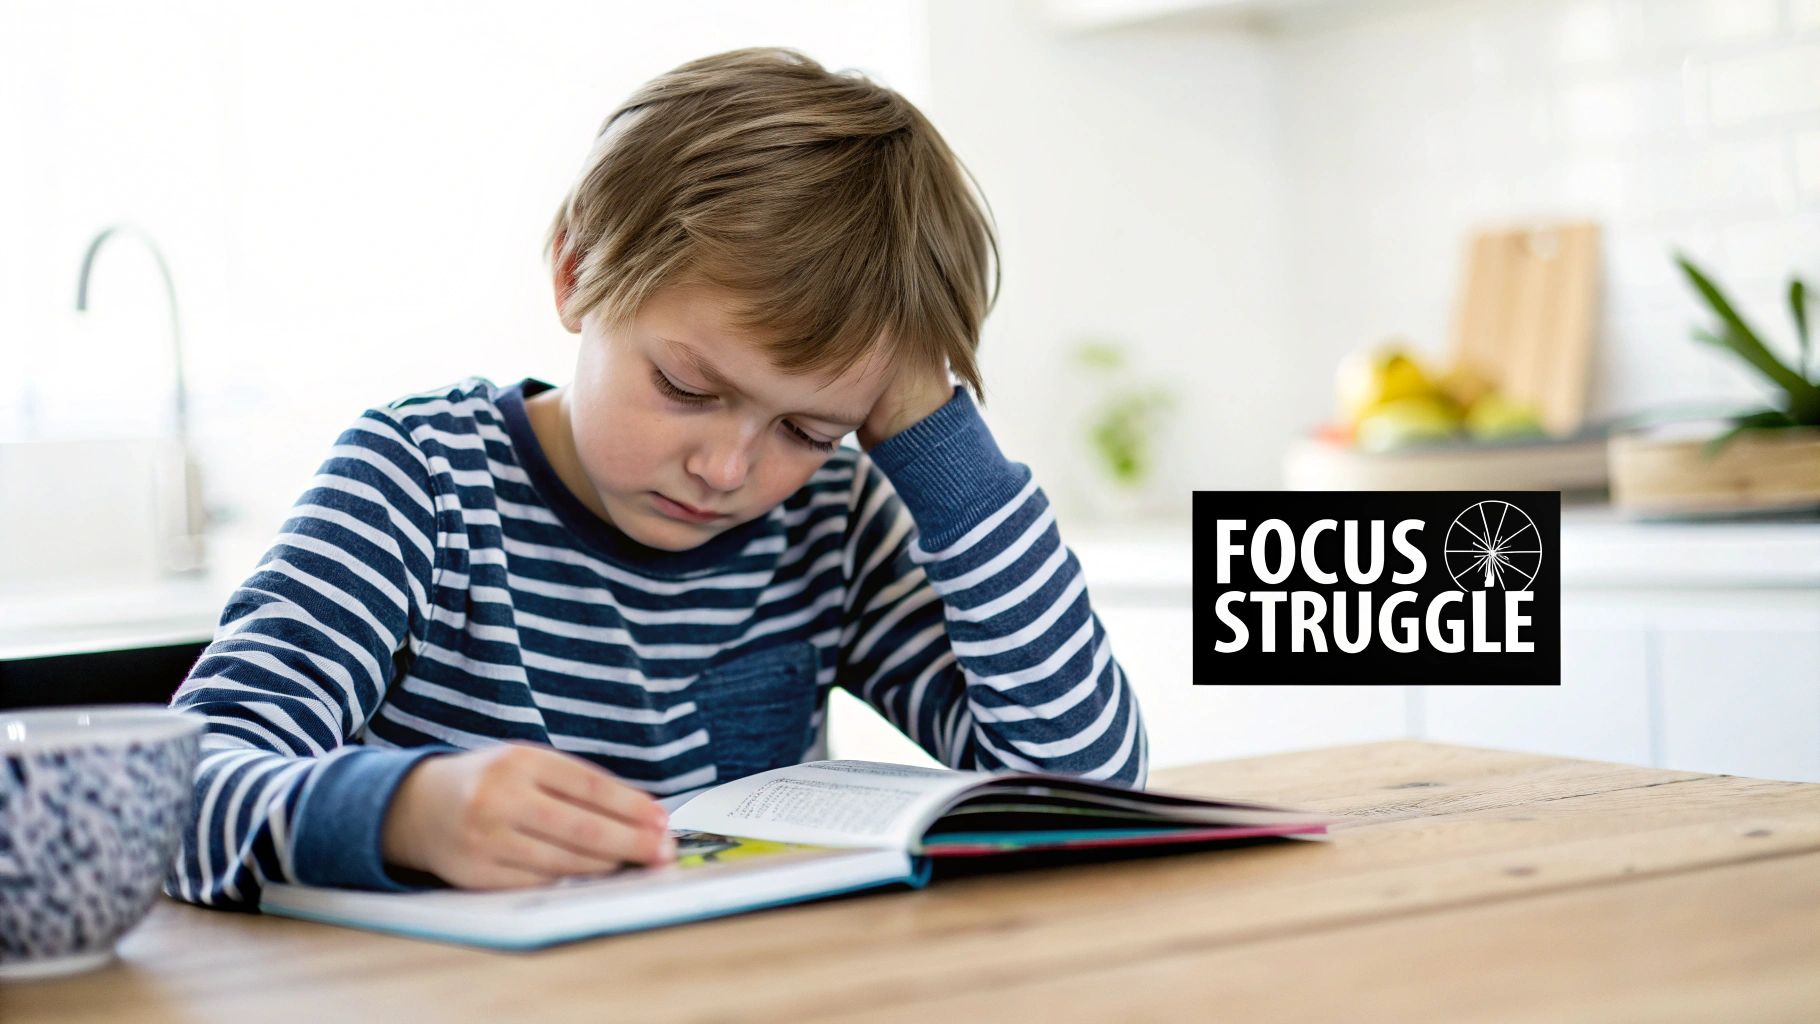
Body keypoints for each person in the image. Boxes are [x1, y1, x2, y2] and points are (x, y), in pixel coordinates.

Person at [165, 46, 1148, 910]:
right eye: (685, 386)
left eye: (808, 427)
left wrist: (932, 439)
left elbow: (1087, 784)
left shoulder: (830, 519)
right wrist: (400, 814)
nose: (726, 469)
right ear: (575, 270)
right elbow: (173, 794)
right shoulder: (419, 484)